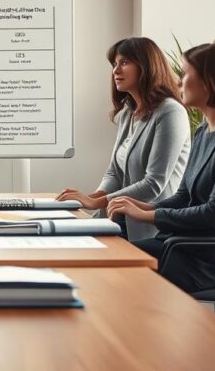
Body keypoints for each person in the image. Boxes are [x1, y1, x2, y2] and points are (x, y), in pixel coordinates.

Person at [108, 42, 215, 292]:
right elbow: (183, 196)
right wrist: (141, 206)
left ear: (210, 81)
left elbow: (214, 215)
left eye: (186, 73)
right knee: (107, 258)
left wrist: (146, 215)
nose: (179, 82)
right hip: (177, 244)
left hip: (204, 257)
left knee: (112, 269)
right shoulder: (203, 130)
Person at [57, 37, 190, 240]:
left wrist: (96, 202)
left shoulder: (171, 112)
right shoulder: (128, 112)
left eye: (124, 62)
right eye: (114, 64)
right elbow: (114, 173)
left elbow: (154, 183)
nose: (116, 70)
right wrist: (92, 197)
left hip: (152, 230)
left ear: (146, 66)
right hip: (119, 219)